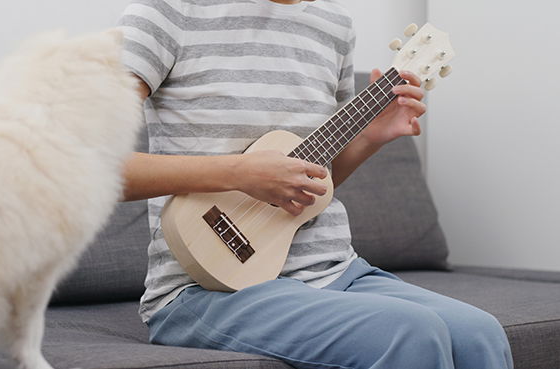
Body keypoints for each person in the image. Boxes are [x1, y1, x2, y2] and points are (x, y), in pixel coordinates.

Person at [117, 1, 513, 368]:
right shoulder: (166, 14)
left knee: (479, 333)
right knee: (411, 331)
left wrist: (368, 138)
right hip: (209, 287)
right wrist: (239, 173)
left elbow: (311, 184)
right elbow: (87, 165)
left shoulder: (333, 25)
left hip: (333, 272)